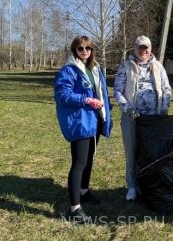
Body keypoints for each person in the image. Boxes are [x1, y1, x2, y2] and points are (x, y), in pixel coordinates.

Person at [54, 35, 112, 224]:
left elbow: (101, 92)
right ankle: (74, 209)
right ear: (74, 50)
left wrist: (106, 113)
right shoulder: (69, 70)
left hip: (94, 121)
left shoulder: (94, 68)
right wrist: (85, 100)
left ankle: (84, 191)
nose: (85, 51)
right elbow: (62, 94)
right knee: (79, 163)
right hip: (80, 122)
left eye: (88, 48)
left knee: (88, 160)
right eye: (80, 48)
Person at [114, 35, 171, 201]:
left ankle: (150, 185)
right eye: (140, 47)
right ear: (135, 49)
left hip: (155, 117)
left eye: (146, 47)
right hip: (132, 117)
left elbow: (167, 89)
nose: (143, 50)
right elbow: (117, 91)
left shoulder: (159, 66)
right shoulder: (125, 67)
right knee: (132, 151)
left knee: (152, 151)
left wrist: (164, 107)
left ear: (151, 49)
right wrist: (128, 108)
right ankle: (132, 186)